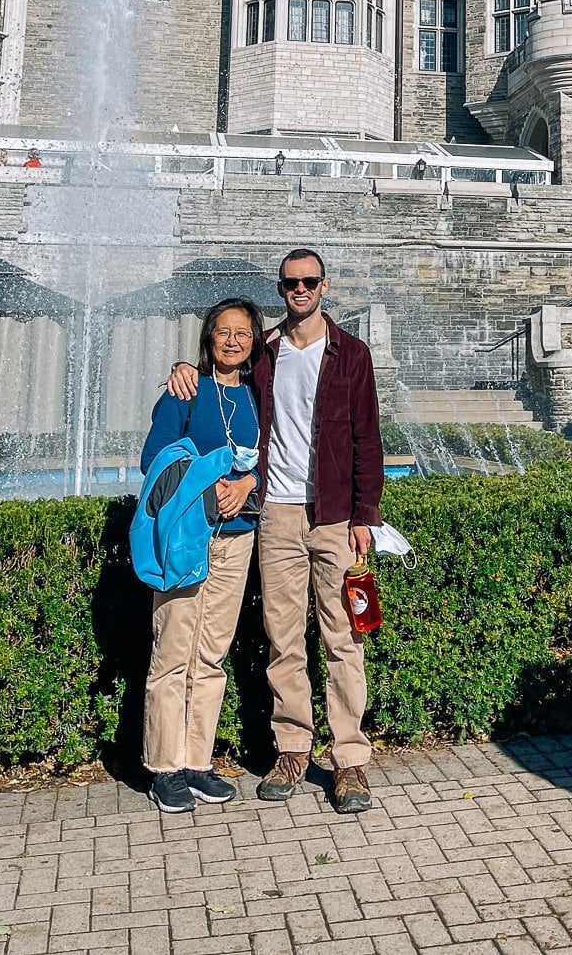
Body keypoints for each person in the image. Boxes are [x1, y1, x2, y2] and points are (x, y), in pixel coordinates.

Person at [167, 247, 383, 814]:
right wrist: (185, 367)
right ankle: (292, 747)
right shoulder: (265, 353)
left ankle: (350, 760)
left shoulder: (350, 354)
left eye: (309, 281)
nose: (300, 290)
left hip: (333, 513)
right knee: (283, 638)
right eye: (290, 282)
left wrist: (366, 516)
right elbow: (224, 379)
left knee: (342, 640)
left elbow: (368, 439)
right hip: (276, 512)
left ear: (325, 285)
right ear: (281, 288)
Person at [141, 298, 264, 814]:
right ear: (208, 337)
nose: (233, 340)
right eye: (223, 331)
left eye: (242, 332)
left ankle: (197, 761)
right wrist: (212, 489)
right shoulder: (184, 391)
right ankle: (163, 768)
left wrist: (251, 482)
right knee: (172, 652)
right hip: (190, 538)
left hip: (238, 539)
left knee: (210, 654)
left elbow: (276, 454)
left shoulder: (258, 395)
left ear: (255, 341)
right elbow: (156, 461)